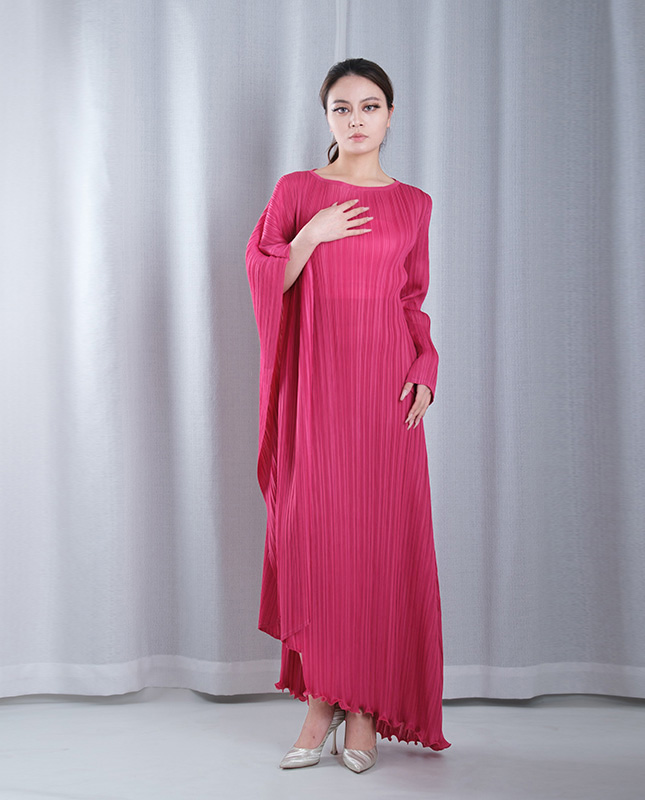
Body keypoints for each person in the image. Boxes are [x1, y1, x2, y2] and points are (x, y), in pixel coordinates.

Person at [246, 57, 450, 774]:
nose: (356, 119)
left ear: (391, 115)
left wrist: (426, 366)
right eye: (342, 107)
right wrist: (311, 235)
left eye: (369, 106)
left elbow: (411, 300)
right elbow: (264, 274)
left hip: (386, 399)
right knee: (319, 539)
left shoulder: (414, 204)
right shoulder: (298, 191)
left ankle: (363, 710)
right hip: (316, 391)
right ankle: (321, 701)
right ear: (326, 116)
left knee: (377, 547)